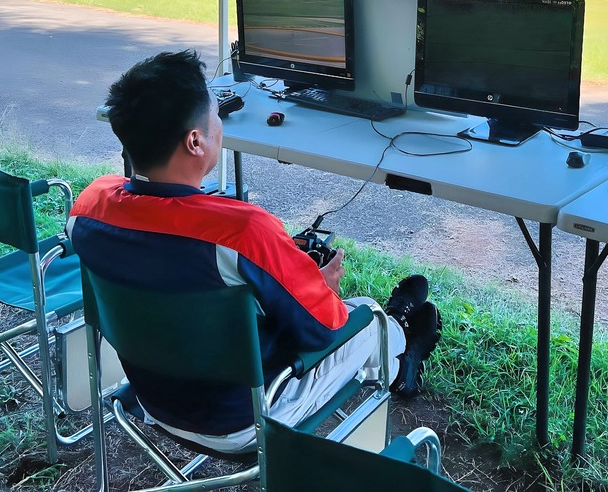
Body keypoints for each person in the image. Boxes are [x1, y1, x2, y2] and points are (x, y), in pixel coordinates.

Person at [69, 50, 441, 453]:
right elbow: (324, 329)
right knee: (367, 318)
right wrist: (321, 287)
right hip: (241, 420)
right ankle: (403, 352)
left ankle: (400, 347)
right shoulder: (241, 232)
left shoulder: (86, 209)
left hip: (151, 399)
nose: (219, 126)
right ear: (195, 141)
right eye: (216, 118)